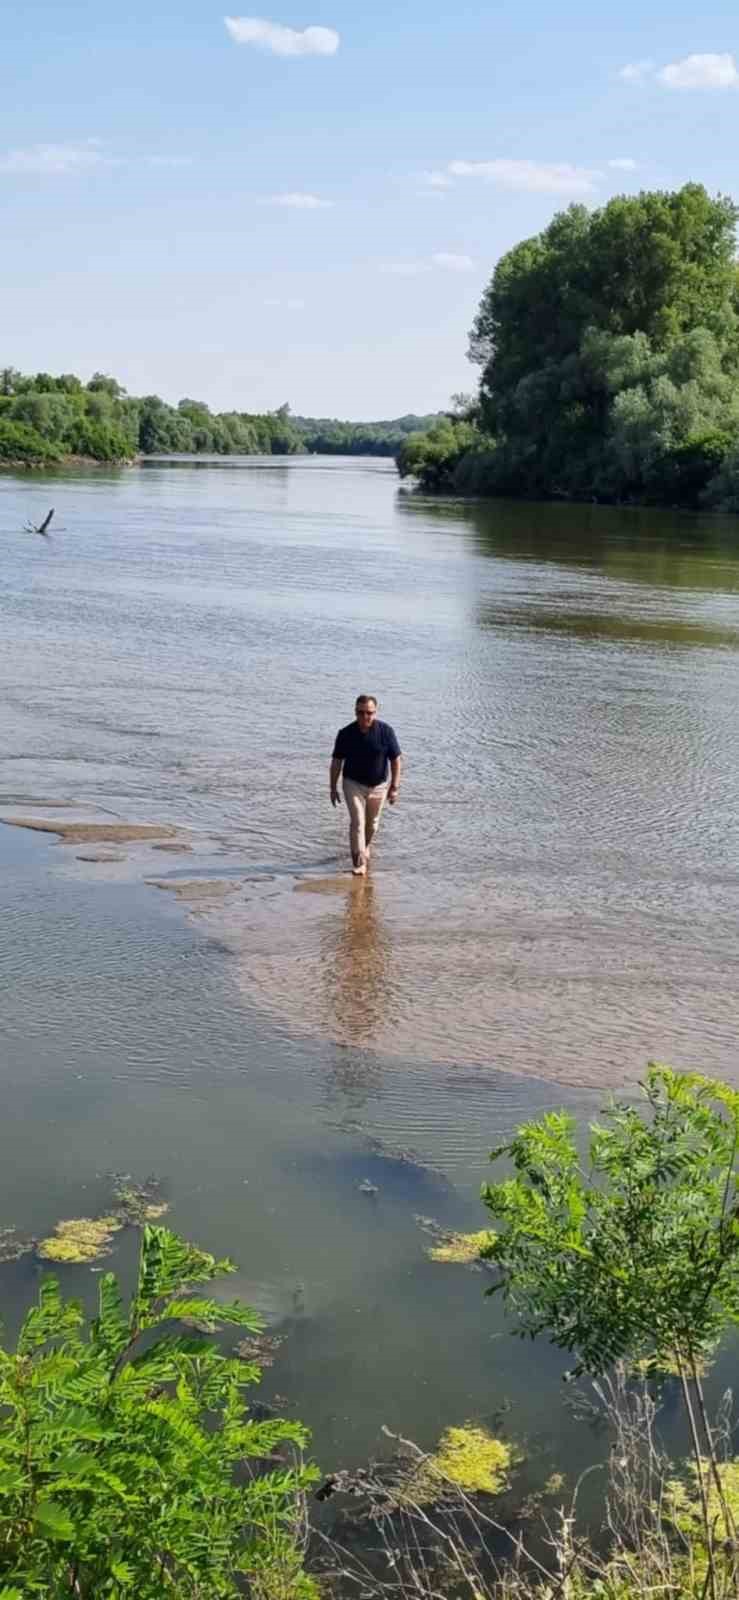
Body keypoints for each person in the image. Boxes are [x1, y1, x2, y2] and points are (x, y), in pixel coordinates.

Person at [330, 695, 402, 875]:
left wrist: (394, 787)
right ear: (355, 712)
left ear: (375, 713)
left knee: (373, 825)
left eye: (369, 713)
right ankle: (359, 861)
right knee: (358, 822)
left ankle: (365, 846)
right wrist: (332, 788)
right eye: (360, 713)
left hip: (378, 786)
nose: (365, 717)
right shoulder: (345, 733)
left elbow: (396, 760)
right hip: (352, 783)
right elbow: (337, 762)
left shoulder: (386, 732)